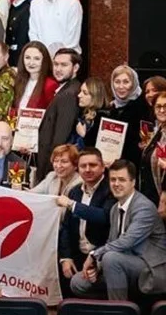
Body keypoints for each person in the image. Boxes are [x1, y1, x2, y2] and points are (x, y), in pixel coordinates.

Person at [70, 159, 166, 300]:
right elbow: (111, 242)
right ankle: (114, 305)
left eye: (122, 180)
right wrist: (98, 266)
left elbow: (127, 241)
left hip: (150, 268)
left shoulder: (144, 207)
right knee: (78, 282)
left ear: (133, 182)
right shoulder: (115, 209)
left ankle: (119, 310)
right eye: (113, 180)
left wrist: (94, 254)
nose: (116, 184)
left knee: (111, 259)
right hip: (120, 265)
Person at [57, 148, 113, 294]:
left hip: (101, 255)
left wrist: (72, 205)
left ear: (103, 167)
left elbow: (103, 217)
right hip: (77, 253)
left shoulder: (111, 189)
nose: (87, 169)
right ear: (78, 168)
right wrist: (65, 257)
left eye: (92, 165)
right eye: (83, 166)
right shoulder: (75, 191)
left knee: (81, 284)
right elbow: (66, 227)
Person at [37, 49, 83, 176]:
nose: (58, 69)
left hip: (53, 167)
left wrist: (51, 170)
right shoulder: (66, 89)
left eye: (64, 65)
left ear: (75, 68)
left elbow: (60, 137)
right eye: (56, 64)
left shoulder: (68, 94)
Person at [110, 65, 151, 163]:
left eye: (126, 82)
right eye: (117, 82)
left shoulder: (143, 107)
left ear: (133, 83)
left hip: (134, 163)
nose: (121, 86)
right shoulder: (111, 108)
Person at [138, 93, 166, 213]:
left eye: (165, 106)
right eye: (158, 106)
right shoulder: (159, 131)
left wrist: (164, 197)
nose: (162, 110)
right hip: (150, 197)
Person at [73, 76, 110, 149]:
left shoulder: (102, 118)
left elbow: (100, 146)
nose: (79, 95)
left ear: (95, 96)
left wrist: (83, 135)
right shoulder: (82, 113)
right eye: (80, 91)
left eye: (85, 93)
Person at [6, 0, 33, 66]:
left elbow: (23, 37)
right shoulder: (11, 7)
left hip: (19, 55)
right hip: (9, 53)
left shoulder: (28, 9)